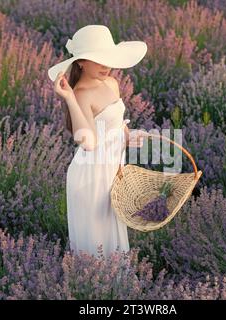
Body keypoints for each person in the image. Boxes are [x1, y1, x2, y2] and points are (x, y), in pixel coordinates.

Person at [49, 25, 148, 258]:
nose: (106, 66)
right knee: (96, 243)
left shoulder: (112, 83)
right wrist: (70, 98)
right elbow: (89, 143)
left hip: (112, 169)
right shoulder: (82, 93)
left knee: (112, 237)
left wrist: (129, 135)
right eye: (98, 60)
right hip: (91, 177)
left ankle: (115, 288)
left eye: (108, 59)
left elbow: (116, 123)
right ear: (81, 62)